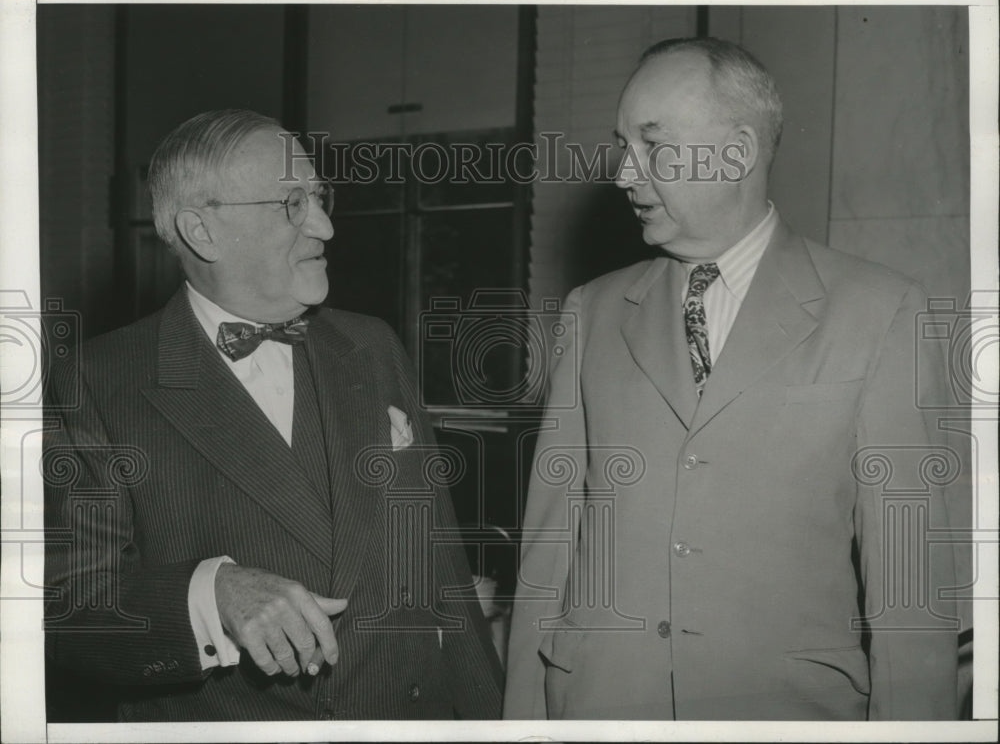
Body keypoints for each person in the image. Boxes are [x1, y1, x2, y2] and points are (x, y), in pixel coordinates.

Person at [504, 38, 961, 720]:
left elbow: (910, 597)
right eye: (622, 145)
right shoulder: (591, 312)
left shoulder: (880, 310)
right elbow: (549, 557)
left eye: (652, 145)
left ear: (739, 152)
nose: (625, 173)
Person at [44, 109, 503, 721]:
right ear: (202, 232)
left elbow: (440, 564)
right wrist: (211, 595)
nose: (325, 226)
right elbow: (66, 609)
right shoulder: (99, 381)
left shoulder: (373, 345)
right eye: (292, 203)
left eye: (318, 196)